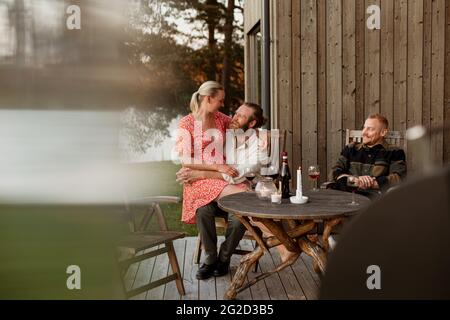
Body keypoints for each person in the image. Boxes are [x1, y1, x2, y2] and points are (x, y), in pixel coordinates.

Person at [175, 82, 253, 280]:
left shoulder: (221, 119)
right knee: (242, 196)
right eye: (220, 100)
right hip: (200, 177)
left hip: (222, 180)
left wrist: (263, 135)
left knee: (236, 213)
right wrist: (218, 167)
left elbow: (243, 124)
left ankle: (223, 258)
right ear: (208, 99)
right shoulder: (187, 123)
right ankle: (210, 259)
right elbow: (185, 160)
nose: (222, 104)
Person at [330, 114, 407, 197]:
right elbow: (335, 171)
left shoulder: (395, 152)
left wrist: (370, 183)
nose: (364, 132)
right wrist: (355, 179)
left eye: (370, 129)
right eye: (364, 128)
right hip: (346, 195)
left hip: (374, 200)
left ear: (383, 132)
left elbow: (398, 178)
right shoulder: (351, 148)